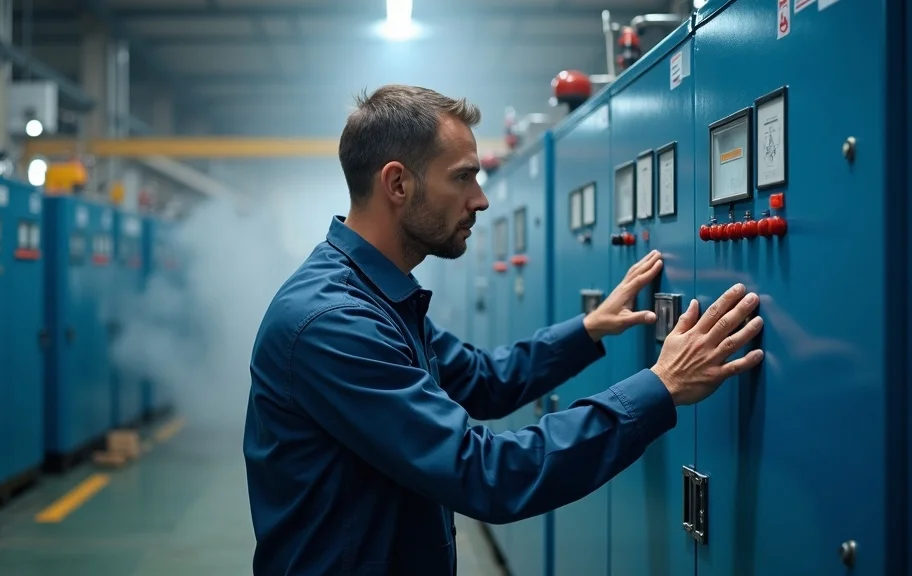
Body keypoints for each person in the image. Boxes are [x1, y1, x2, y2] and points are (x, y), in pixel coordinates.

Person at [243, 85, 765, 575]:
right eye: (462, 177)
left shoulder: (380, 297)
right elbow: (487, 474)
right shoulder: (334, 322)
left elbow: (484, 379)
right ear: (397, 183)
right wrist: (661, 388)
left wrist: (589, 328)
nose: (481, 199)